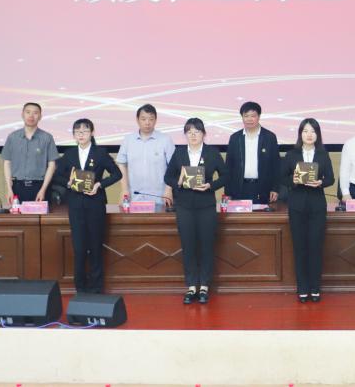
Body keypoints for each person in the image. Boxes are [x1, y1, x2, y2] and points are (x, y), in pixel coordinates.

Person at [164, 118, 228, 304]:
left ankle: (204, 286)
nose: (193, 135)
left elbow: (226, 176)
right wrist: (178, 182)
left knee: (207, 245)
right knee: (188, 245)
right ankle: (192, 286)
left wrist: (210, 185)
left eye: (197, 131)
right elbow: (168, 176)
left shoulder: (212, 153)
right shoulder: (179, 153)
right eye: (189, 132)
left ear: (203, 134)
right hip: (184, 206)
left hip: (206, 205)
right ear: (185, 135)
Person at [57, 118, 121, 293]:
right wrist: (68, 183)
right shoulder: (69, 154)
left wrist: (100, 184)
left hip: (95, 204)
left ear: (92, 133)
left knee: (95, 246)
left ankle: (96, 287)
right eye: (78, 132)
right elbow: (57, 175)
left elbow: (117, 174)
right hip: (75, 205)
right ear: (73, 135)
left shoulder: (100, 153)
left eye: (85, 131)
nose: (81, 134)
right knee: (79, 248)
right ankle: (80, 287)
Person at [281, 118, 335, 302]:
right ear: (300, 134)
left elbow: (330, 179)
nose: (309, 135)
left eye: (312, 131)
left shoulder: (323, 154)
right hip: (297, 205)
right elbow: (282, 178)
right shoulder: (291, 154)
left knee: (315, 247)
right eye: (305, 131)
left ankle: (315, 287)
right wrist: (294, 181)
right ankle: (302, 288)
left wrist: (321, 182)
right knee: (300, 247)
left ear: (317, 134)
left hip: (317, 205)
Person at [117, 104, 175, 208]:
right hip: (134, 197)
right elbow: (121, 164)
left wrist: (168, 189)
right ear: (137, 120)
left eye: (151, 119)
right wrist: (124, 189)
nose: (147, 122)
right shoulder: (128, 140)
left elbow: (173, 166)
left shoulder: (165, 140)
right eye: (143, 119)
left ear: (155, 120)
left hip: (160, 197)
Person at [0, 102, 60, 202]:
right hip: (17, 187)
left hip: (39, 187)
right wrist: (9, 189)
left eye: (35, 113)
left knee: (41, 213)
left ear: (40, 116)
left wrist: (43, 189)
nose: (31, 116)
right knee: (18, 213)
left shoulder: (47, 138)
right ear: (22, 114)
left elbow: (52, 165)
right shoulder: (13, 137)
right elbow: (7, 163)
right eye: (28, 112)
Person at [225, 101, 281, 205]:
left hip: (263, 188)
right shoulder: (235, 138)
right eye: (246, 116)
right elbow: (229, 167)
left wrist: (275, 188)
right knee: (238, 216)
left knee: (261, 215)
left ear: (259, 117)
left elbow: (276, 166)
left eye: (253, 116)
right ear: (242, 117)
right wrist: (227, 192)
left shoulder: (269, 137)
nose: (249, 119)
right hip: (239, 188)